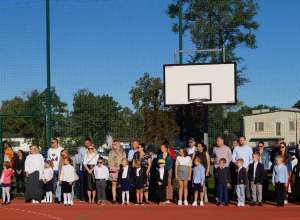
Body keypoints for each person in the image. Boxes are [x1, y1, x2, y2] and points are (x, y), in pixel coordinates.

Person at [232, 136, 252, 201]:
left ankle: (248, 196)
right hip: (238, 169)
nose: (241, 141)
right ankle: (237, 196)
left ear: (245, 140)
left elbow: (251, 159)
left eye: (242, 140)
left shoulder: (249, 148)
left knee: (246, 182)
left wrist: (248, 166)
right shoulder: (236, 148)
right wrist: (237, 165)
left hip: (246, 168)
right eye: (240, 140)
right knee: (238, 182)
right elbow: (233, 159)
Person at [213, 137, 232, 202]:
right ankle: (218, 197)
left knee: (225, 182)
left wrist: (225, 165)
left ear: (222, 141)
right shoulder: (215, 149)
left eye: (218, 141)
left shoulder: (227, 149)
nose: (217, 142)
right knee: (217, 182)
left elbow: (230, 158)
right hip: (217, 168)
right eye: (217, 141)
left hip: (224, 168)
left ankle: (225, 197)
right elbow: (214, 156)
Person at [108, 139, 126, 204]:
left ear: (118, 145)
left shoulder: (122, 152)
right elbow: (109, 161)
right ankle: (114, 198)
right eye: (113, 144)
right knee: (113, 183)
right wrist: (112, 168)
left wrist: (118, 168)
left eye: (115, 144)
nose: (113, 145)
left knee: (119, 184)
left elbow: (124, 160)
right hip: (113, 170)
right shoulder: (111, 152)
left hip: (120, 170)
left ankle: (120, 198)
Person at [47, 138, 63, 203]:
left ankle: (59, 197)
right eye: (51, 142)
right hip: (52, 170)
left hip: (59, 169)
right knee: (50, 183)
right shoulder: (50, 150)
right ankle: (49, 197)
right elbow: (48, 159)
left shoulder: (61, 149)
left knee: (60, 184)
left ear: (56, 142)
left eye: (52, 142)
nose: (51, 143)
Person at [77, 137, 91, 202]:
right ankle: (82, 197)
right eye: (86, 143)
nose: (87, 144)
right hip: (82, 169)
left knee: (88, 184)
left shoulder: (93, 149)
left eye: (88, 143)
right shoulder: (81, 150)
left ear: (90, 143)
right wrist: (83, 163)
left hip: (89, 169)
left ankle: (89, 197)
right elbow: (79, 159)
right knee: (82, 184)